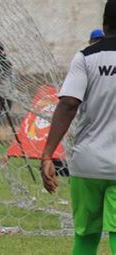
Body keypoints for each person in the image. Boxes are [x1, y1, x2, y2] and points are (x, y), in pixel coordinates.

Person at [41, 1, 116, 255]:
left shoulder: (85, 58)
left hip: (88, 163)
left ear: (104, 23)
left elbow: (68, 104)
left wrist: (47, 153)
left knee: (85, 236)